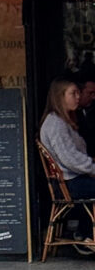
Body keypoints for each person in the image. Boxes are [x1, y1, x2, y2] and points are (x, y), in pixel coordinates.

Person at [40, 77, 95, 233]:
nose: (78, 97)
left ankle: (86, 233)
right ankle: (87, 234)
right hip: (70, 184)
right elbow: (70, 159)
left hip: (71, 180)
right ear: (60, 96)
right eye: (73, 93)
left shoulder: (62, 121)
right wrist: (92, 169)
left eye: (78, 93)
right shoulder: (56, 124)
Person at [76, 74, 95, 158]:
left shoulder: (92, 111)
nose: (94, 97)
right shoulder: (71, 116)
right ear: (79, 92)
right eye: (90, 93)